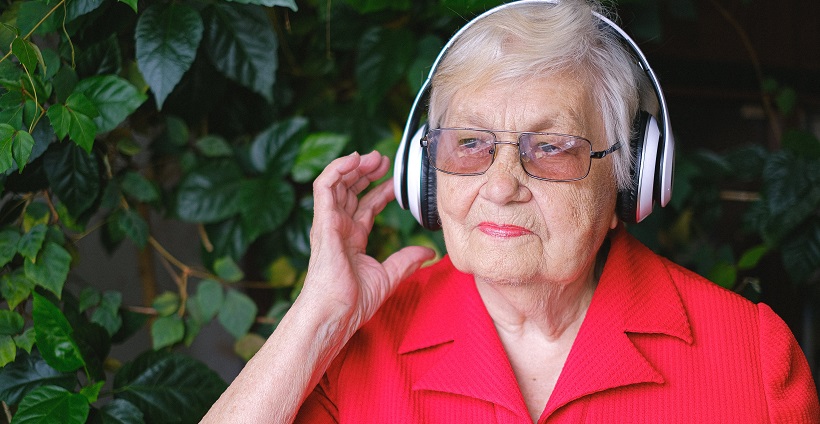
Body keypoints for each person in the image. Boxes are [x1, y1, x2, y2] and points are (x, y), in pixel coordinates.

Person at [201, 1, 820, 422]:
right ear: (426, 173)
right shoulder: (353, 346)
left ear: (629, 182)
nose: (501, 187)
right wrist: (318, 316)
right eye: (469, 143)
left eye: (550, 148)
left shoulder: (751, 357)